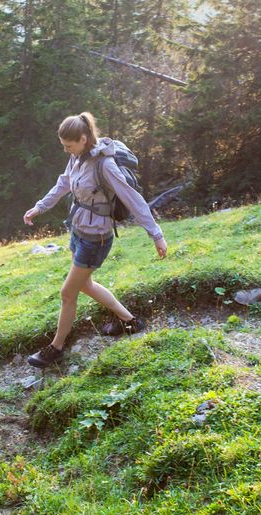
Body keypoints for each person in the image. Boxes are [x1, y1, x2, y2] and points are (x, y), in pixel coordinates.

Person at [22, 112, 168, 368]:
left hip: (96, 239)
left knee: (68, 293)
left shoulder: (105, 165)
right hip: (78, 231)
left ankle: (56, 348)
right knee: (85, 285)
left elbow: (134, 200)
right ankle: (129, 321)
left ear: (83, 138)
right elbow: (63, 183)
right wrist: (39, 207)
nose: (66, 150)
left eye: (69, 145)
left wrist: (157, 235)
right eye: (64, 146)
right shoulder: (76, 157)